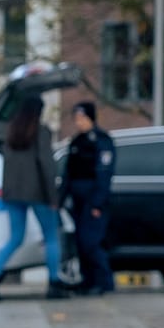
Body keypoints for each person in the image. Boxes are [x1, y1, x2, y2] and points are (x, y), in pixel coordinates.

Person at [0, 95, 67, 301]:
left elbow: (7, 166)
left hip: (13, 194)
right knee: (51, 237)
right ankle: (54, 282)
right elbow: (47, 166)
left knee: (15, 237)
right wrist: (53, 196)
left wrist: (6, 190)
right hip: (38, 192)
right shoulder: (41, 132)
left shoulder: (10, 132)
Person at [64, 101, 117, 297]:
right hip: (77, 201)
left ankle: (104, 282)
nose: (78, 122)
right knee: (80, 243)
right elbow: (68, 173)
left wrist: (97, 202)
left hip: (92, 200)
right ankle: (88, 281)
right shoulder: (77, 142)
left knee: (91, 242)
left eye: (82, 118)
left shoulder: (101, 141)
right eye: (76, 119)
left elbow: (104, 174)